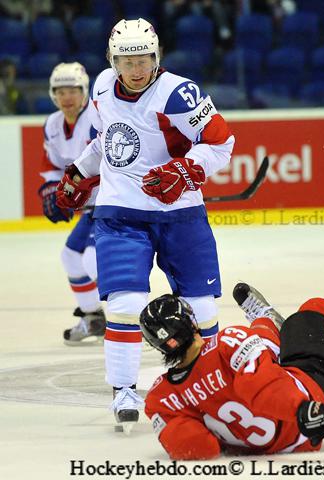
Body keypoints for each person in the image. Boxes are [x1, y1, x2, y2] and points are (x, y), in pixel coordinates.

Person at [56, 18, 234, 431]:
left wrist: (187, 170)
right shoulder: (101, 87)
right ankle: (123, 390)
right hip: (120, 215)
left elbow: (222, 142)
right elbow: (109, 142)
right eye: (126, 60)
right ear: (112, 60)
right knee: (124, 304)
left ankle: (206, 386)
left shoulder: (179, 93)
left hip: (181, 216)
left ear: (157, 57)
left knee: (204, 310)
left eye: (144, 59)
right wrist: (80, 173)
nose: (136, 69)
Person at [141, 282, 324, 460]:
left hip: (280, 443)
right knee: (313, 311)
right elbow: (262, 387)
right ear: (192, 323)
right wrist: (306, 412)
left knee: (258, 349)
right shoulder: (226, 343)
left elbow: (198, 448)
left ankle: (267, 321)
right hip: (313, 393)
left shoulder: (160, 398)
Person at [38, 62, 106, 345]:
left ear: (84, 92)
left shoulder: (96, 117)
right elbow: (52, 166)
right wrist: (53, 192)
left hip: (108, 201)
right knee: (70, 257)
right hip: (89, 206)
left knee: (92, 260)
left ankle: (125, 320)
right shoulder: (52, 124)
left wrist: (75, 190)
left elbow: (108, 161)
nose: (67, 97)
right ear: (54, 94)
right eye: (61, 91)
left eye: (73, 91)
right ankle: (93, 318)